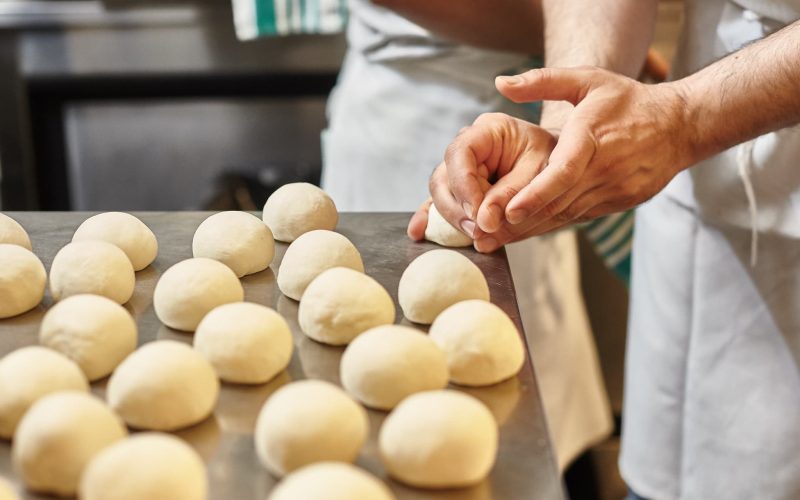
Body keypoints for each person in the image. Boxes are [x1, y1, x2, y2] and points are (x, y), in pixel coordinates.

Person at [416, 0, 800, 498]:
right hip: (710, 157)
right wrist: (568, 130)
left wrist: (688, 116)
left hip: (705, 108)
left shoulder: (685, 116)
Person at [232, 0, 615, 472]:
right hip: (406, 116)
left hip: (524, 135)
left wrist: (592, 55)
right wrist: (588, 45)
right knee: (365, 410)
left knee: (519, 424)